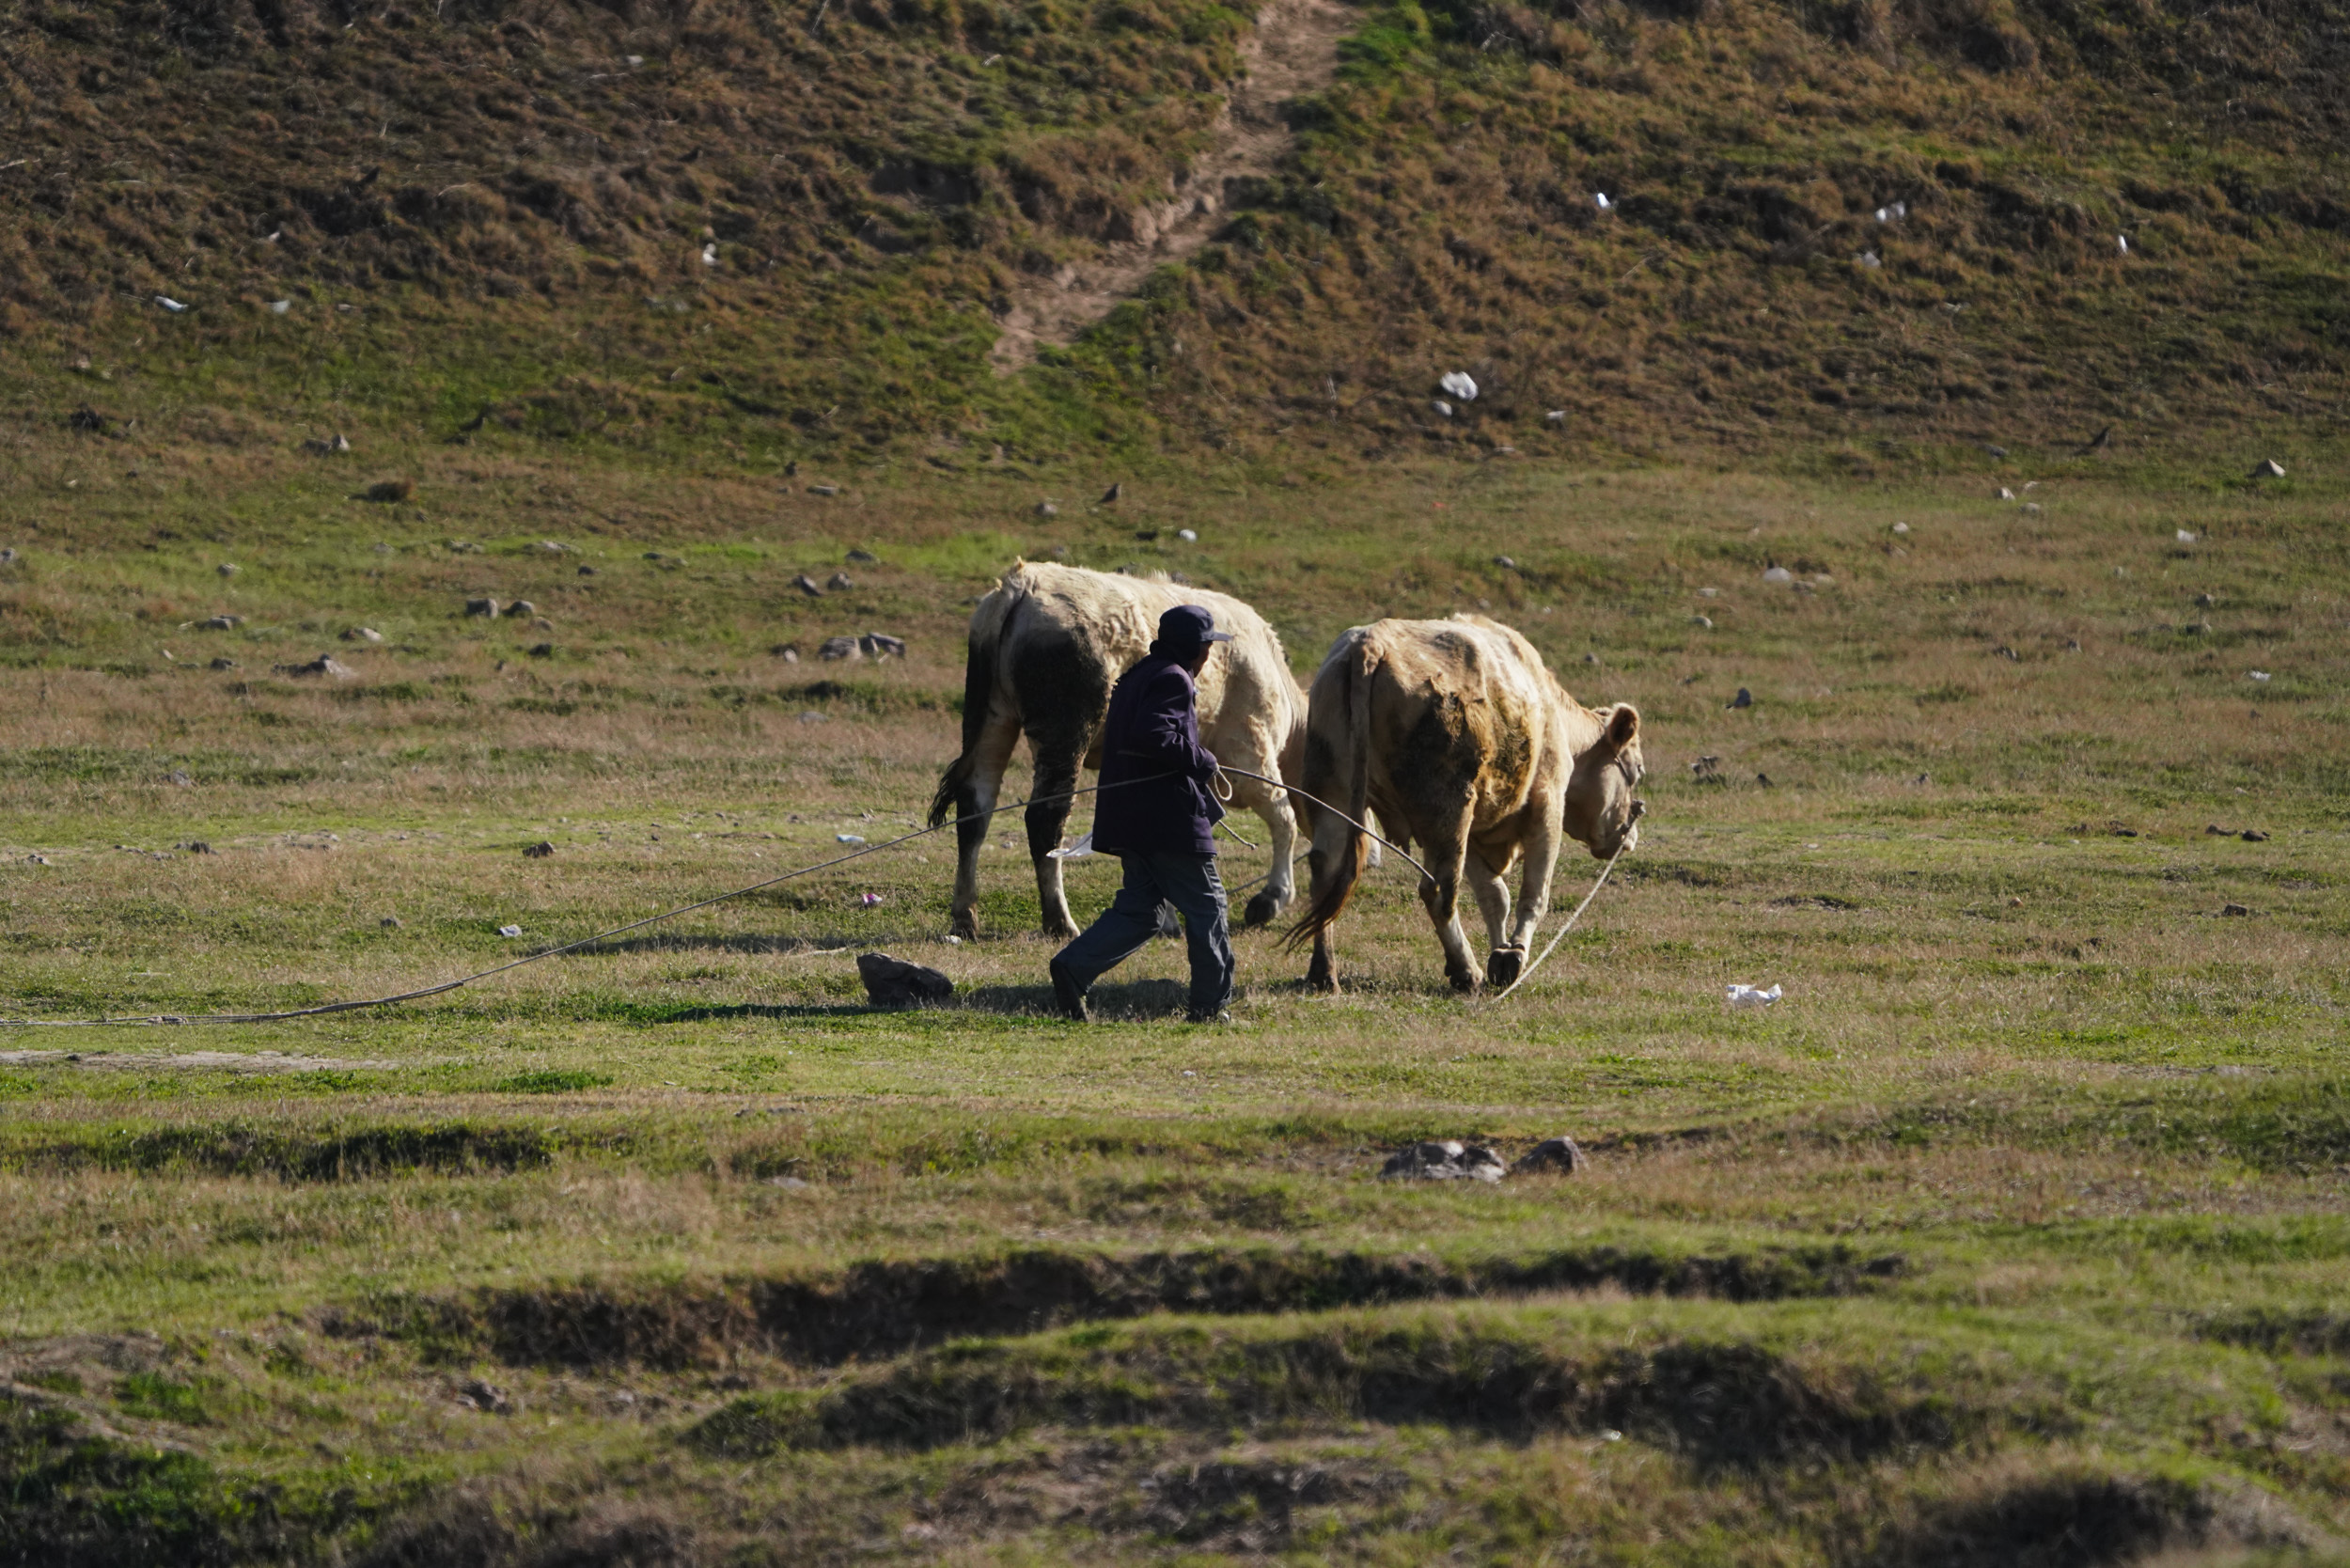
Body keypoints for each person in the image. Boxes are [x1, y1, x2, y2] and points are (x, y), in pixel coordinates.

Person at [1049, 604, 1236, 1024]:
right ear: (1199, 649)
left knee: (1140, 911)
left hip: (1132, 818)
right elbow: (1156, 734)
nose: (1209, 655)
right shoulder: (1173, 678)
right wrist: (1203, 761)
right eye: (1208, 646)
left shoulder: (1141, 673)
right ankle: (1210, 1007)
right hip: (1166, 820)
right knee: (1209, 907)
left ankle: (1072, 968)